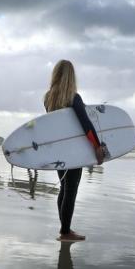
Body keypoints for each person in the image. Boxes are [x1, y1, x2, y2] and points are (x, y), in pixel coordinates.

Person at [44, 60, 105, 242]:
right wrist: (97, 147)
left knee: (64, 187)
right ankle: (65, 232)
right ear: (71, 76)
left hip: (58, 150)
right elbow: (86, 125)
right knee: (71, 190)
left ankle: (64, 228)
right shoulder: (73, 97)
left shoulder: (48, 98)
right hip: (74, 152)